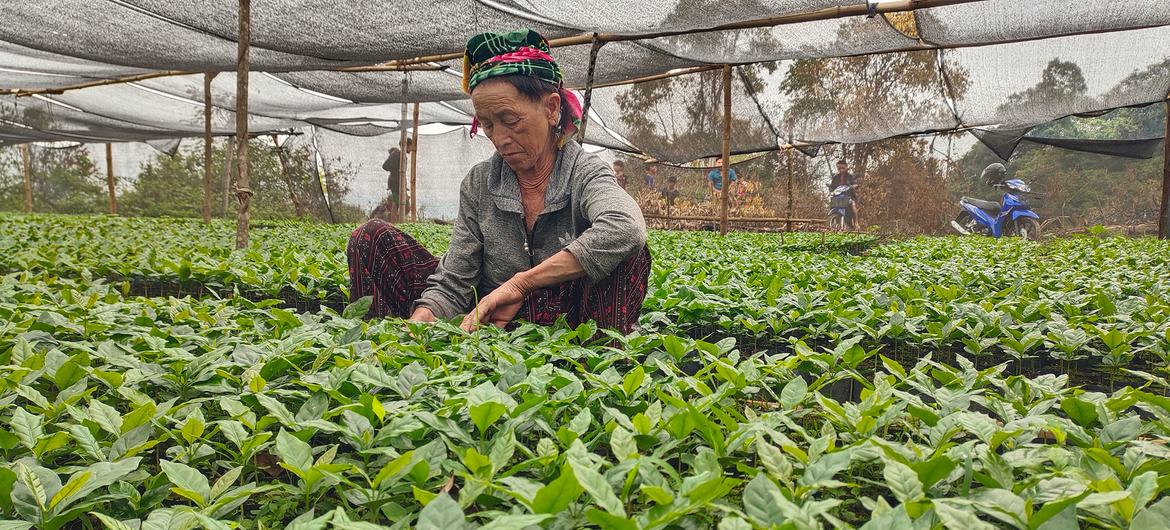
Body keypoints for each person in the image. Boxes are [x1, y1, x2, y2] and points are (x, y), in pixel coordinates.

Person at [347, 29, 651, 333]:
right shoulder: (479, 183)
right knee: (370, 239)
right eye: (489, 124)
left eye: (510, 119)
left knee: (625, 253)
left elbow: (626, 227)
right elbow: (455, 280)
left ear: (551, 108)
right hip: (490, 316)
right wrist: (423, 317)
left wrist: (521, 284)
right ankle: (383, 354)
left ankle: (595, 369)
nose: (500, 138)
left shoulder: (583, 172)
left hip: (568, 321)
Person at [828, 160, 859, 230]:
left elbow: (855, 183)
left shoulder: (850, 176)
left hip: (849, 195)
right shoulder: (836, 178)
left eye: (842, 168)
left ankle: (856, 222)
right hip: (838, 196)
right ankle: (834, 219)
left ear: (846, 167)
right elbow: (832, 186)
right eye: (839, 168)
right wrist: (830, 190)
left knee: (853, 204)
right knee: (833, 201)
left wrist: (854, 186)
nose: (841, 170)